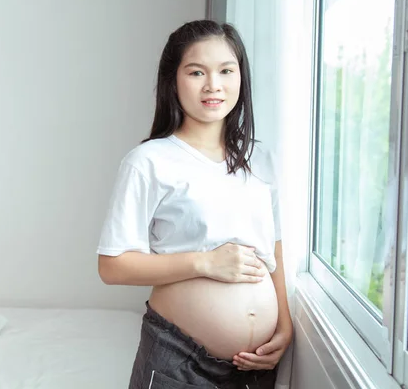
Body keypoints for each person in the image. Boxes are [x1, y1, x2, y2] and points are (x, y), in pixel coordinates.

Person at [97, 20, 292, 389]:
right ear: (173, 80)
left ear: (240, 78)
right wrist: (206, 263)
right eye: (197, 71)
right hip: (178, 359)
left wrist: (284, 324)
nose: (213, 85)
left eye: (226, 71)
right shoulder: (149, 161)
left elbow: (274, 245)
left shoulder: (260, 158)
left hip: (255, 365)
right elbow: (112, 265)